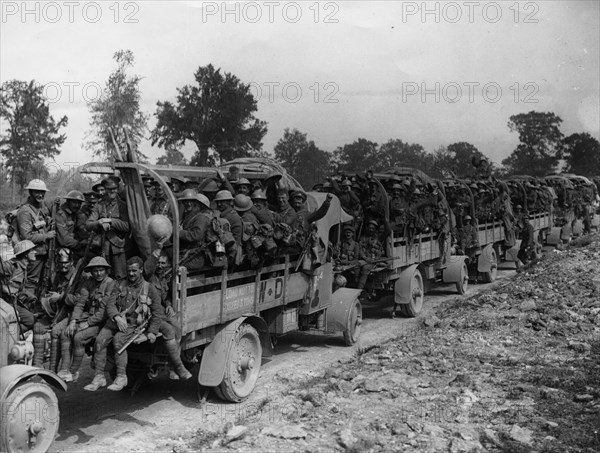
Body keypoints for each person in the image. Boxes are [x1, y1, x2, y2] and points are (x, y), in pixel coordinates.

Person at [84, 256, 164, 392]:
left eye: (134, 271)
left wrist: (152, 331)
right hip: (116, 322)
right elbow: (110, 305)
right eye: (129, 271)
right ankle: (99, 377)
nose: (131, 274)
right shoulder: (119, 285)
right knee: (100, 340)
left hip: (134, 324)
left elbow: (157, 312)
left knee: (118, 341)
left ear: (140, 270)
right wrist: (117, 317)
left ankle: (121, 377)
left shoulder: (149, 288)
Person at [58, 256, 115, 382]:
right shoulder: (88, 283)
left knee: (79, 337)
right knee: (65, 333)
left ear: (106, 270)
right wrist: (73, 321)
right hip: (89, 318)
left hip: (103, 322)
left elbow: (104, 312)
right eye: (95, 271)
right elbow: (80, 304)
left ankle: (73, 372)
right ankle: (64, 369)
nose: (98, 273)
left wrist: (87, 324)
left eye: (101, 270)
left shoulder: (111, 284)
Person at [143, 245, 192, 380]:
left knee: (177, 327)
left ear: (168, 264)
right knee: (170, 330)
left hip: (162, 312)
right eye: (158, 263)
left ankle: (172, 366)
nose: (160, 266)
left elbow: (165, 296)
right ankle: (172, 367)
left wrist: (169, 305)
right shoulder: (151, 277)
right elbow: (147, 269)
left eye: (163, 263)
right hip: (150, 314)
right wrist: (155, 253)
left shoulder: (164, 278)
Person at [41, 248, 80, 372]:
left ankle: (63, 369)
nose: (63, 265)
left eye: (66, 262)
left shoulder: (78, 277)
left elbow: (80, 300)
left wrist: (61, 297)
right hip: (60, 312)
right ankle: (52, 370)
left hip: (74, 313)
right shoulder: (58, 276)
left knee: (58, 332)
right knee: (39, 328)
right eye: (61, 263)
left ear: (71, 262)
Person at [86, 176, 130, 280]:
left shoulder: (123, 205)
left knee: (120, 277)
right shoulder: (99, 205)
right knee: (103, 277)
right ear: (105, 189)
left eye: (114, 188)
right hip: (103, 247)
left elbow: (127, 226)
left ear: (118, 189)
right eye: (109, 189)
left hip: (119, 248)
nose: (112, 191)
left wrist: (110, 221)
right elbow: (88, 224)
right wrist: (99, 222)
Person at [16, 179, 55, 292]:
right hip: (32, 254)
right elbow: (26, 237)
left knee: (42, 281)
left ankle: (35, 305)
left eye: (42, 192)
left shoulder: (41, 208)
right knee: (31, 282)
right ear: (30, 192)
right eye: (37, 192)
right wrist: (46, 236)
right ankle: (27, 306)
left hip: (42, 252)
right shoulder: (25, 211)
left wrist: (49, 222)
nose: (40, 195)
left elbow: (43, 222)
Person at [0, 239, 39, 330]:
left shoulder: (23, 268)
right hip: (4, 304)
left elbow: (19, 288)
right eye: (32, 250)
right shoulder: (12, 266)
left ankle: (13, 334)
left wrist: (31, 296)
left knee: (31, 320)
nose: (35, 252)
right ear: (25, 254)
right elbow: (2, 267)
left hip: (14, 303)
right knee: (11, 321)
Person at [178, 189, 213, 271]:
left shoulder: (200, 217)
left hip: (195, 257)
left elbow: (196, 235)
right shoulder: (187, 216)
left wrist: (180, 232)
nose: (188, 204)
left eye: (191, 201)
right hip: (186, 254)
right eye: (185, 201)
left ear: (195, 203)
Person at [56, 190, 88, 261]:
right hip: (62, 249)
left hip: (74, 246)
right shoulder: (61, 215)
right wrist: (80, 244)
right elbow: (63, 240)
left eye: (79, 203)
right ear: (68, 202)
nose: (77, 205)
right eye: (74, 202)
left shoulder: (76, 214)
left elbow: (82, 230)